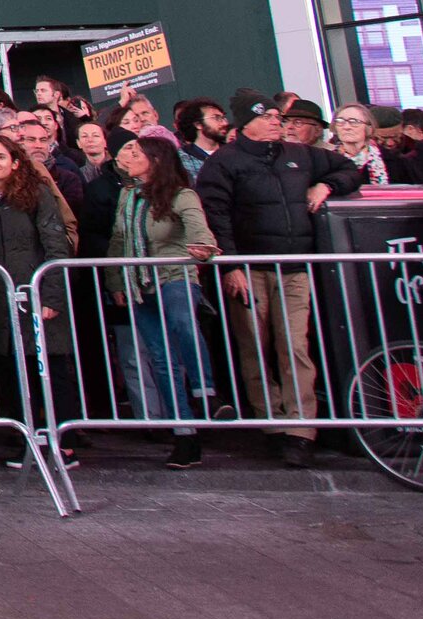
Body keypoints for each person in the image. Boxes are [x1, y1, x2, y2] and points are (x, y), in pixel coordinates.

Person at [195, 91, 364, 466]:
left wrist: (327, 185)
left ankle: (300, 428)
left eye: (276, 115)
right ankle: (271, 420)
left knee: (295, 346)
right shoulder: (224, 163)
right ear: (244, 123)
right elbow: (215, 215)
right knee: (255, 345)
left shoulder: (300, 155)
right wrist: (232, 265)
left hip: (293, 265)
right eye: (266, 116)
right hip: (250, 268)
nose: (276, 121)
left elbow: (350, 167)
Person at [108, 134, 218, 468]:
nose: (129, 156)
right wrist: (115, 279)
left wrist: (202, 245)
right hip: (140, 284)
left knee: (184, 324)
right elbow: (118, 237)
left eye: (137, 152)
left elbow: (199, 229)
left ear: (155, 160)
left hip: (175, 276)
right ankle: (184, 433)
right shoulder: (127, 195)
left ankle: (207, 392)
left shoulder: (181, 195)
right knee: (160, 357)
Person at [0, 135, 75, 467]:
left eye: (0, 157)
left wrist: (52, 294)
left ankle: (62, 441)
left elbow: (56, 244)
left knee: (50, 368)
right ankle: (26, 439)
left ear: (16, 162)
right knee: (12, 369)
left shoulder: (37, 194)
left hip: (36, 291)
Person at [331, 104, 389, 186]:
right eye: (340, 121)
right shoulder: (327, 160)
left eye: (354, 122)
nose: (346, 127)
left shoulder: (390, 159)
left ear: (368, 127)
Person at [175, 100, 231, 179]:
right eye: (216, 118)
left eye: (223, 118)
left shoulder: (233, 151)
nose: (224, 123)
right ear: (198, 124)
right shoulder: (182, 159)